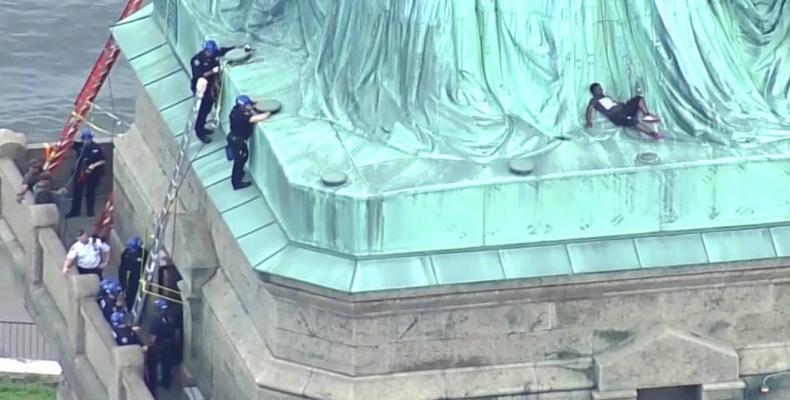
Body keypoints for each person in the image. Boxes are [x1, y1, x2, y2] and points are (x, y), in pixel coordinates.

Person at [190, 40, 250, 144]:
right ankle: (199, 131)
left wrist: (240, 47)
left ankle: (202, 127)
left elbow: (227, 50)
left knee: (208, 108)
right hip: (201, 88)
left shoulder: (215, 52)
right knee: (202, 111)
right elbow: (200, 75)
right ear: (205, 51)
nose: (212, 54)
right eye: (210, 52)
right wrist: (213, 71)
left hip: (211, 87)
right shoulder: (197, 60)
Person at [584, 83, 663, 140]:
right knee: (633, 121)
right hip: (616, 116)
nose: (600, 90)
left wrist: (624, 104)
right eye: (597, 89)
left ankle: (647, 115)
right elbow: (589, 111)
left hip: (623, 109)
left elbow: (615, 103)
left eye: (600, 88)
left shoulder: (607, 97)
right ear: (593, 92)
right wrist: (588, 121)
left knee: (639, 98)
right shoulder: (594, 100)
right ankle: (653, 134)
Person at [227, 95, 272, 190]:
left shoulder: (235, 110)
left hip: (233, 138)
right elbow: (261, 117)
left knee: (243, 157)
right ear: (243, 107)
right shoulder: (243, 116)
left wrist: (256, 104)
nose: (250, 106)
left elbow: (252, 105)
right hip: (238, 141)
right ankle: (236, 183)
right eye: (248, 105)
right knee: (239, 161)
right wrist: (269, 111)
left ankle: (239, 173)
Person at [66, 128, 106, 218]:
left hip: (93, 174)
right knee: (77, 192)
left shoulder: (97, 148)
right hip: (80, 172)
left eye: (88, 139)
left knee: (90, 192)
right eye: (84, 138)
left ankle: (90, 211)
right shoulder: (79, 146)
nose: (86, 141)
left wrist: (93, 165)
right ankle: (75, 211)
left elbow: (103, 160)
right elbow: (69, 143)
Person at [145, 299, 178, 393]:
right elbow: (176, 332)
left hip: (160, 346)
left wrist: (148, 347)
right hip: (170, 344)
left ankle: (153, 385)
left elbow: (153, 338)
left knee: (153, 364)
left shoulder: (155, 322)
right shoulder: (170, 318)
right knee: (167, 364)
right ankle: (165, 382)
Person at [118, 236, 148, 312]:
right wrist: (123, 283)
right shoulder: (126, 253)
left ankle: (134, 308)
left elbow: (145, 264)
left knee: (135, 292)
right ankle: (129, 307)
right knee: (128, 293)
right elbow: (122, 268)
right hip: (129, 275)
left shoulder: (142, 253)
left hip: (138, 276)